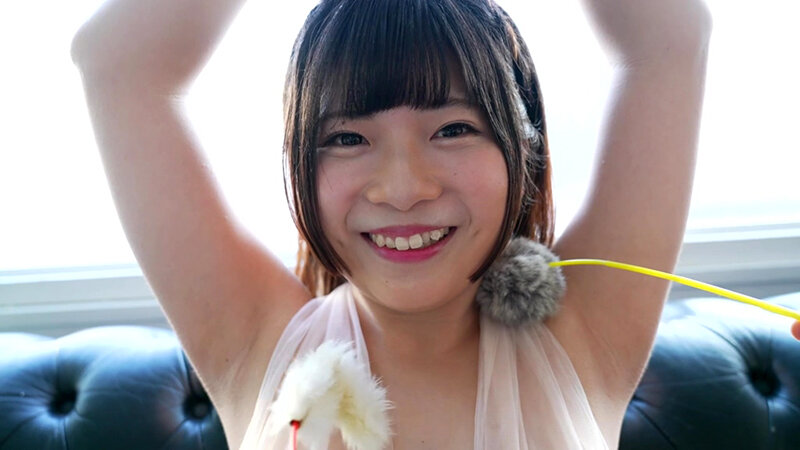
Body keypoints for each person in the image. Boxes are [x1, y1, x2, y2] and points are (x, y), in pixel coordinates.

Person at [70, 0, 796, 448]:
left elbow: (672, 31)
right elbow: (116, 61)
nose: (404, 189)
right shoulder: (257, 345)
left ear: (521, 151)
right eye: (347, 138)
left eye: (452, 129)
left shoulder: (584, 332)